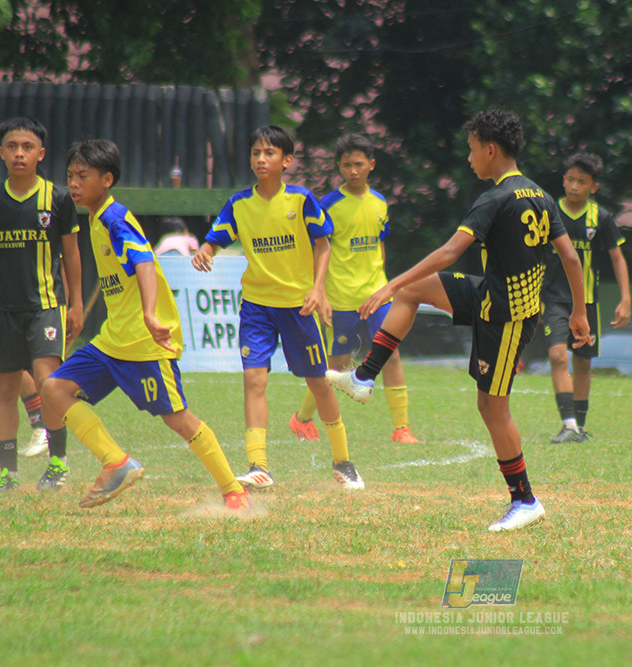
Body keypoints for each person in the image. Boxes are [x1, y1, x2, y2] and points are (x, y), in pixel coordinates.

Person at [327, 109, 590, 531]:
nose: (469, 159)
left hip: (507, 317)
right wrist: (578, 311)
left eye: (471, 151)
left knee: (492, 407)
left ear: (490, 150)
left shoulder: (495, 198)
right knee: (417, 291)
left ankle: (525, 500)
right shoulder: (540, 195)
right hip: (490, 296)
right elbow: (571, 257)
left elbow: (450, 252)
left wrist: (389, 284)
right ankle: (364, 377)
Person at [41, 139, 250, 511]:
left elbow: (145, 262)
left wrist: (151, 314)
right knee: (55, 388)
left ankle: (234, 491)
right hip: (112, 342)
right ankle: (115, 462)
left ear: (106, 180)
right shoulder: (95, 216)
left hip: (142, 343)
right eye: (70, 176)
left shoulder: (113, 217)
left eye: (82, 176)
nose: (73, 183)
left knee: (178, 419)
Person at [192, 125, 364, 491]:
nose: (260, 159)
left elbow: (323, 246)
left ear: (286, 161)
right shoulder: (239, 203)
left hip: (298, 307)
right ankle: (259, 465)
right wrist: (205, 251)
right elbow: (215, 239)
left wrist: (318, 290)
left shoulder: (301, 200)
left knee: (318, 383)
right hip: (256, 306)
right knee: (254, 379)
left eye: (269, 153)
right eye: (256, 153)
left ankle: (343, 462)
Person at [289, 134, 419, 445]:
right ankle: (302, 420)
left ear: (371, 165)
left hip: (376, 295)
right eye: (346, 165)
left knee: (392, 354)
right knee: (337, 364)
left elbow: (379, 245)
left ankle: (401, 428)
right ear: (339, 167)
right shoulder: (328, 205)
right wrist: (318, 293)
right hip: (341, 299)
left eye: (359, 164)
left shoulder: (379, 202)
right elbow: (317, 249)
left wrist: (386, 287)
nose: (353, 170)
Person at [0, 117, 83, 492]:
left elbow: (71, 255)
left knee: (47, 382)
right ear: (1, 153)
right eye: (12, 146)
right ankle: (8, 474)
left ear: (40, 153)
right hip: (1, 310)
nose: (19, 153)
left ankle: (58, 463)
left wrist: (75, 305)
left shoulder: (57, 198)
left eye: (27, 147)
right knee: (5, 390)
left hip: (46, 307)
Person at [542, 152, 630, 443]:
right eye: (570, 179)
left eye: (582, 182)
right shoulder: (548, 212)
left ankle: (578, 427)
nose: (574, 186)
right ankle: (568, 425)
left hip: (587, 301)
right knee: (557, 355)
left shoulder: (601, 218)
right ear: (563, 180)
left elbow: (617, 258)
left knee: (582, 362)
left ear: (593, 187)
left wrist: (625, 298)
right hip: (553, 298)